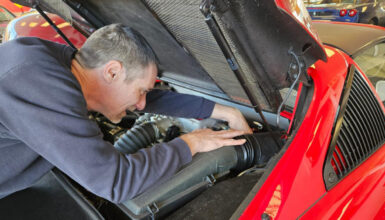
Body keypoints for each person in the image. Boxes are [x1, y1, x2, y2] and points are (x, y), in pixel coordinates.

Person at [0, 23, 251, 203]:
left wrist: (223, 111)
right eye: (140, 90)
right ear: (112, 72)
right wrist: (190, 143)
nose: (141, 104)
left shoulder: (57, 65)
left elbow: (145, 98)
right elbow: (116, 182)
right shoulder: (37, 83)